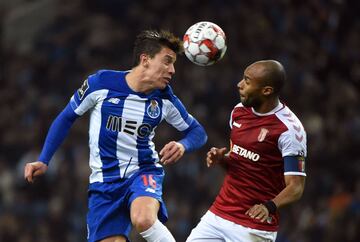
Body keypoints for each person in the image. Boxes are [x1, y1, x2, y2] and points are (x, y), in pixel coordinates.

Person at [24, 30, 207, 242]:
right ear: (145, 60)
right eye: (167, 61)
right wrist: (44, 159)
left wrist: (183, 145)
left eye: (174, 64)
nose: (172, 70)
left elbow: (198, 132)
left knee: (144, 219)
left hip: (143, 172)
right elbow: (66, 117)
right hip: (104, 184)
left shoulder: (165, 99)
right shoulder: (101, 83)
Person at [187, 60, 307, 242]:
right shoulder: (238, 112)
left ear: (266, 90)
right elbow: (241, 163)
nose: (239, 85)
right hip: (219, 213)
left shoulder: (289, 130)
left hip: (254, 226)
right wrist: (223, 159)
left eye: (247, 81)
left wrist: (270, 206)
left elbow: (296, 187)